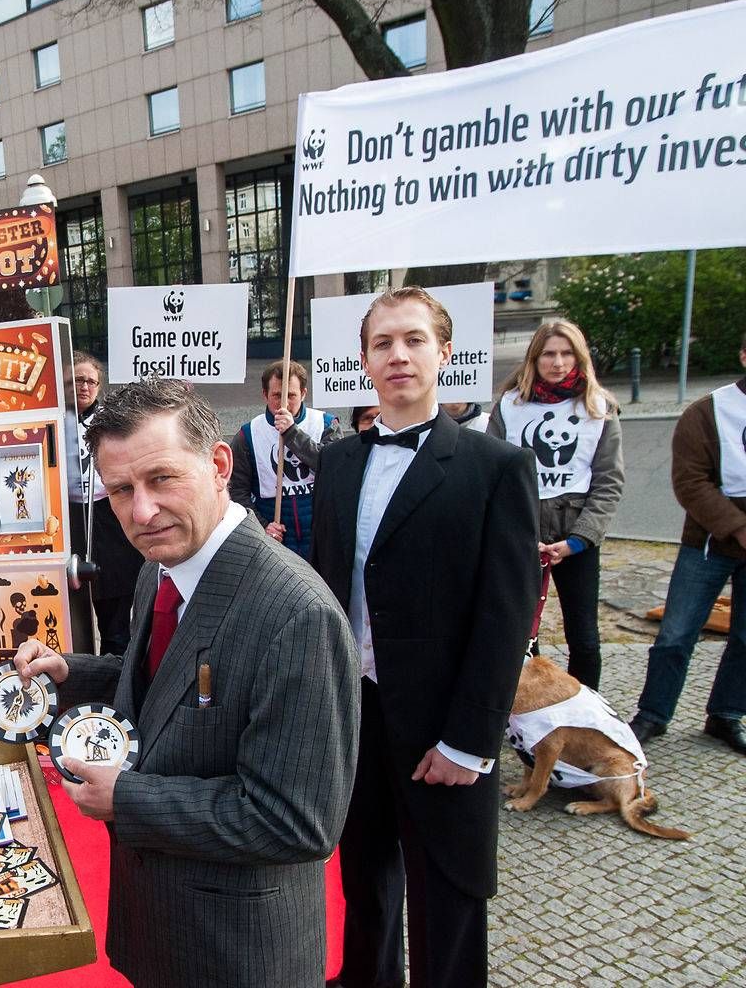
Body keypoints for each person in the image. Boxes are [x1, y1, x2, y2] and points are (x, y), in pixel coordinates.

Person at [15, 377, 359, 988]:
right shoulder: (164, 565)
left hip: (240, 954)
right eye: (120, 490)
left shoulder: (297, 613)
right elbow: (167, 684)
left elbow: (298, 820)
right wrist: (71, 673)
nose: (141, 511)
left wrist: (126, 799)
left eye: (161, 479)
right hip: (164, 930)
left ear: (219, 463)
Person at [309, 287, 539, 988]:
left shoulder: (494, 466)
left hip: (444, 726)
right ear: (364, 362)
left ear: (445, 352)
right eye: (383, 343)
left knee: (449, 890)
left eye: (413, 340)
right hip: (357, 713)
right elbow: (326, 592)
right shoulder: (338, 462)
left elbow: (507, 615)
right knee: (366, 875)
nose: (398, 355)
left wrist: (471, 741)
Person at [487, 320, 624, 689]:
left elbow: (608, 481)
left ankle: (586, 714)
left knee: (584, 635)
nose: (558, 362)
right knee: (519, 631)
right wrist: (515, 534)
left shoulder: (598, 408)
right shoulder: (510, 406)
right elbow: (492, 474)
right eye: (549, 353)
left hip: (574, 536)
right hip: (523, 534)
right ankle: (522, 709)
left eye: (567, 353)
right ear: (535, 357)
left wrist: (580, 538)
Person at [630, 332, 746, 755]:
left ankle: (726, 713)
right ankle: (653, 714)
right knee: (677, 633)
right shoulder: (708, 412)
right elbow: (690, 482)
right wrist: (736, 526)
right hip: (709, 544)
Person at [69, 353, 144, 656]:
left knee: (115, 620)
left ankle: (116, 679)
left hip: (108, 520)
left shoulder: (111, 421)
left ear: (99, 386)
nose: (84, 386)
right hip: (70, 518)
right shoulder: (54, 420)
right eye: (77, 380)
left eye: (91, 381)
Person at [230, 359, 344, 557]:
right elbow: (236, 492)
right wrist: (260, 527)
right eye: (277, 395)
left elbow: (333, 468)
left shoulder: (326, 424)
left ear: (304, 394)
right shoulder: (248, 435)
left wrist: (292, 433)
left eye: (291, 395)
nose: (283, 403)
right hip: (276, 542)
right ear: (265, 395)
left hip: (322, 540)